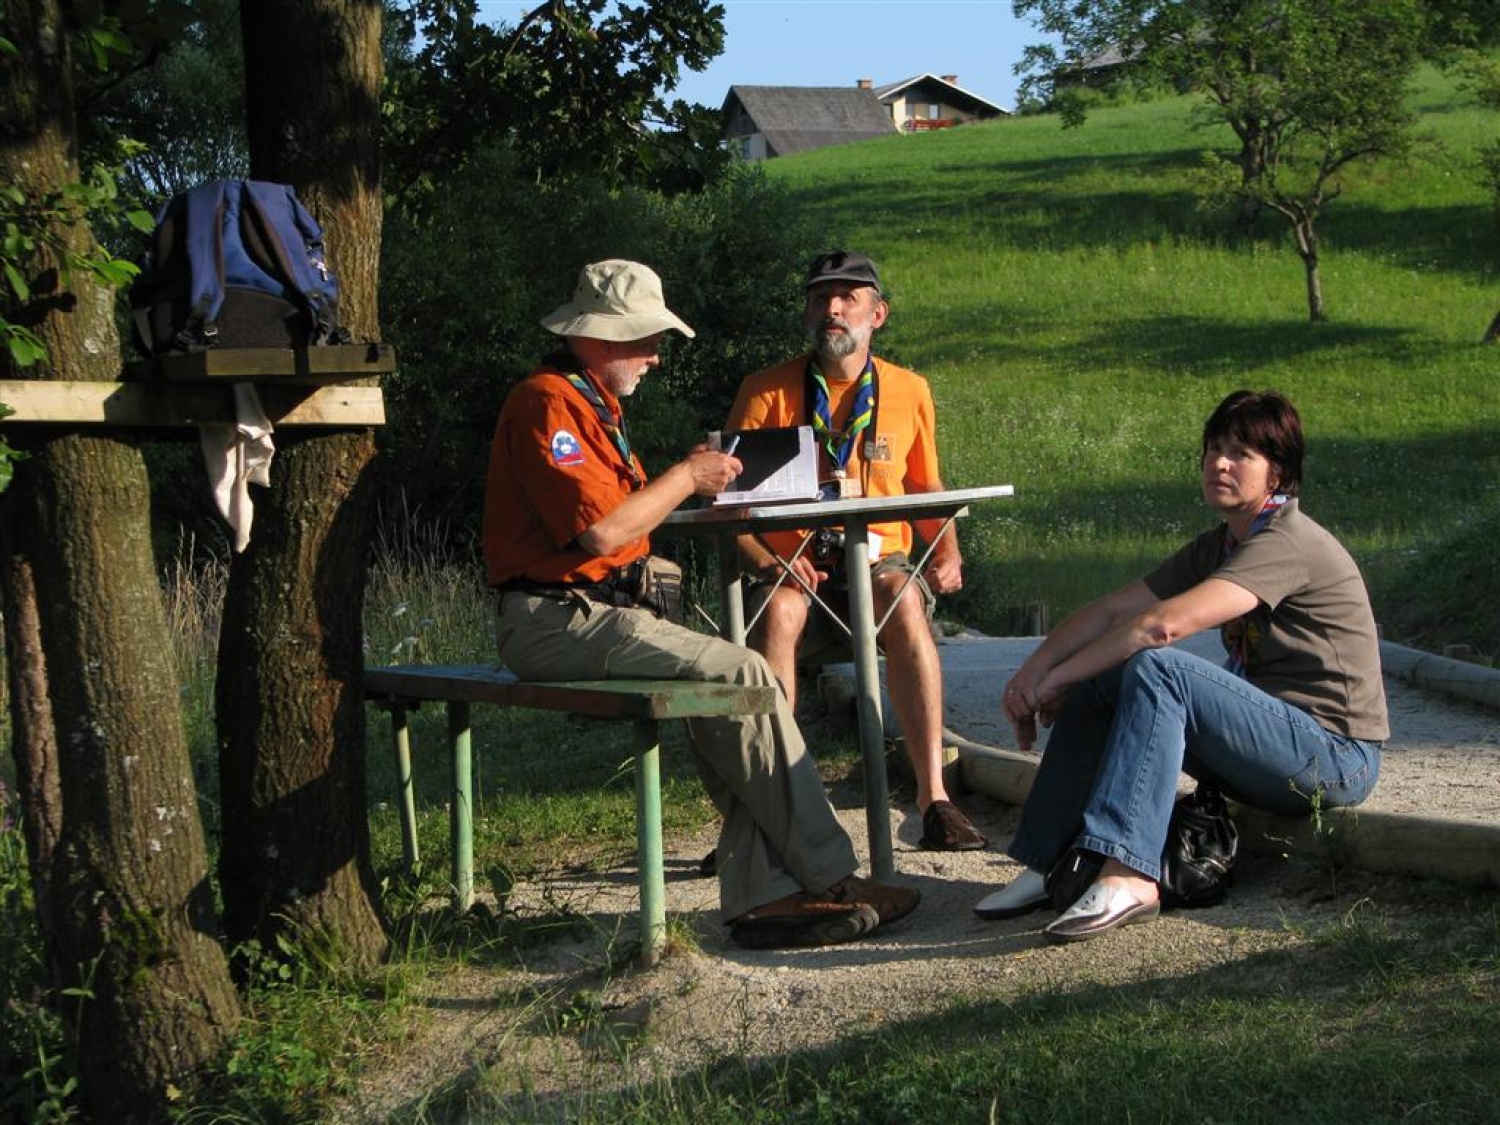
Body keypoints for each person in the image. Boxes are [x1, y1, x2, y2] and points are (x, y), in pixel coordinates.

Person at [482, 259, 919, 950]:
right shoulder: (548, 402)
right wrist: (686, 476)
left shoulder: (587, 402)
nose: (657, 355)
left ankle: (767, 899)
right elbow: (602, 531)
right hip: (554, 619)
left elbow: (610, 523)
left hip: (593, 614)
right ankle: (831, 876)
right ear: (598, 337)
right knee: (744, 675)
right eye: (647, 338)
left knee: (731, 704)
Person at [974, 390, 1387, 943]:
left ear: (1278, 473)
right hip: (1272, 743)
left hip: (1335, 756)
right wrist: (1033, 672)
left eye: (1240, 453)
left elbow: (1159, 627)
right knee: (1110, 674)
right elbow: (1116, 609)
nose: (1219, 463)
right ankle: (1045, 862)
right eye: (1213, 449)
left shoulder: (1288, 542)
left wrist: (1059, 679)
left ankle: (1130, 872)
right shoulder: (1222, 544)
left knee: (1156, 666)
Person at [724, 250, 983, 851]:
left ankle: (934, 798)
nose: (833, 309)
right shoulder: (765, 390)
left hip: (879, 562)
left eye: (848, 298)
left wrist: (947, 548)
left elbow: (924, 487)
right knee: (780, 612)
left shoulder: (910, 389)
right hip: (793, 567)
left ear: (878, 313)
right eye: (821, 299)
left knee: (903, 598)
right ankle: (779, 802)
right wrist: (768, 561)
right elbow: (730, 505)